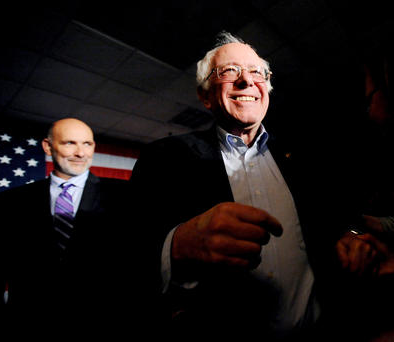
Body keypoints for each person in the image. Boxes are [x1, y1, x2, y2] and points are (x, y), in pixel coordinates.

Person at [129, 31, 335, 341]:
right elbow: (124, 256)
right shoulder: (164, 159)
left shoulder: (304, 159)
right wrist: (177, 246)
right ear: (206, 95)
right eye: (229, 72)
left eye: (256, 72)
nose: (246, 81)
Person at [0, 118, 133, 336]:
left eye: (87, 144)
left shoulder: (126, 197)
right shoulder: (11, 201)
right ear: (47, 147)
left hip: (101, 324)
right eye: (70, 143)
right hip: (27, 324)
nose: (81, 153)